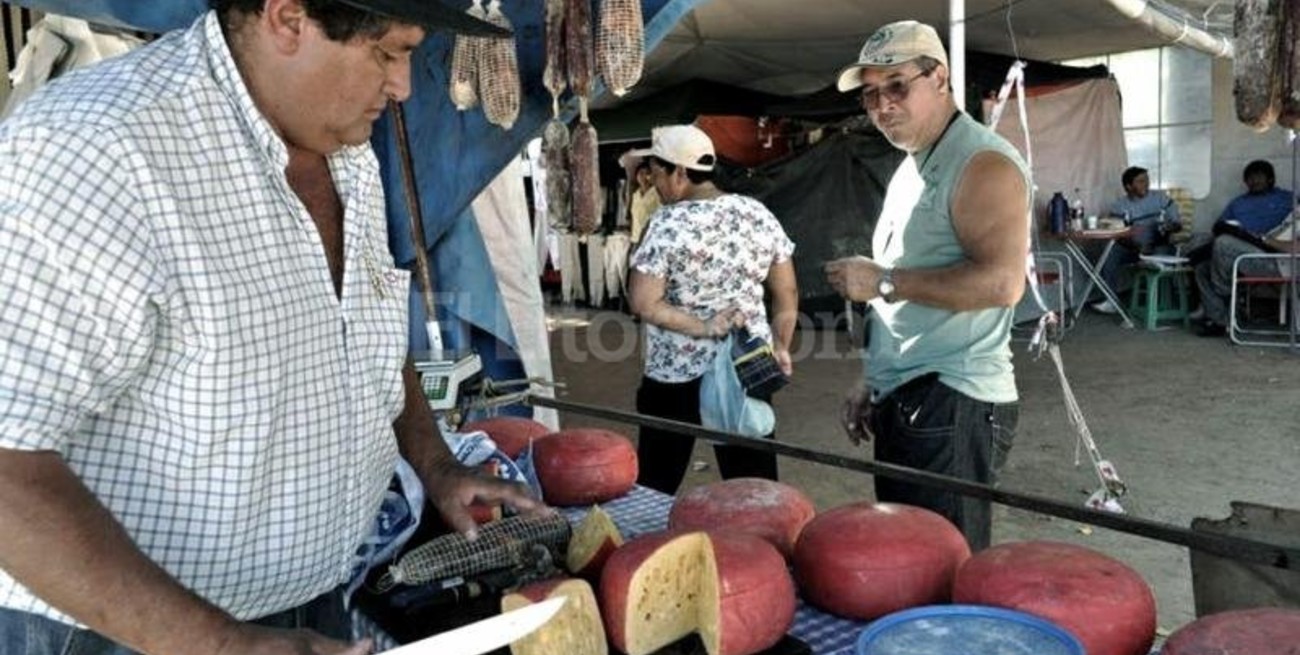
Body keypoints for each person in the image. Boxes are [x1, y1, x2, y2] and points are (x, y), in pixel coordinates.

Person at [0, 2, 544, 654]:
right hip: (123, 633)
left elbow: (361, 327)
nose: (403, 85)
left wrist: (436, 465)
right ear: (288, 19)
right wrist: (222, 645)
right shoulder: (90, 153)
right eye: (388, 52)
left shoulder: (346, 150)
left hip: (313, 602)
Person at [824, 20, 1028, 551]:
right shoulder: (912, 164)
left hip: (955, 398)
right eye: (870, 94)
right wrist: (874, 376)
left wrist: (883, 280)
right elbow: (909, 288)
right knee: (907, 557)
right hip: (910, 394)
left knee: (946, 563)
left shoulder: (982, 163)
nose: (882, 105)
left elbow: (1003, 284)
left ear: (939, 78)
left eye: (896, 86)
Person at [628, 124, 798, 495]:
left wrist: (704, 326)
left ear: (679, 173)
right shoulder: (757, 213)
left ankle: (647, 532)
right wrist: (780, 346)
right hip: (746, 364)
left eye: (657, 174)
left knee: (657, 480)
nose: (655, 185)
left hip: (675, 374)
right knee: (753, 485)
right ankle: (760, 534)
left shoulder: (666, 223)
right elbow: (786, 291)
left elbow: (643, 302)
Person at [1192, 160, 1295, 336]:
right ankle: (1219, 321)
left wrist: (1263, 238)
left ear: (1270, 179)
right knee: (1202, 267)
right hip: (1242, 251)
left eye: (1259, 177)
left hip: (1271, 256)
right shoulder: (1238, 203)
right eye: (1250, 178)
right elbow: (1220, 225)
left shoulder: (1288, 199)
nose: (1254, 181)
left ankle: (1225, 294)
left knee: (1223, 243)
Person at [1090, 166, 1182, 314]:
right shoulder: (1120, 206)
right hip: (1133, 248)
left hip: (1160, 245)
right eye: (1141, 181)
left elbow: (1178, 225)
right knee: (1109, 252)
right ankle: (1111, 300)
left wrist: (1169, 227)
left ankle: (1163, 300)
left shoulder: (1161, 198)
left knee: (1161, 252)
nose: (1146, 184)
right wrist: (1137, 247)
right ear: (1128, 186)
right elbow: (1117, 233)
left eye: (1147, 180)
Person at [628, 159, 661, 247]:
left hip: (651, 237)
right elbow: (634, 218)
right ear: (636, 176)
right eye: (641, 173)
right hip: (636, 238)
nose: (644, 177)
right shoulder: (635, 195)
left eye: (647, 173)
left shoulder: (657, 193)